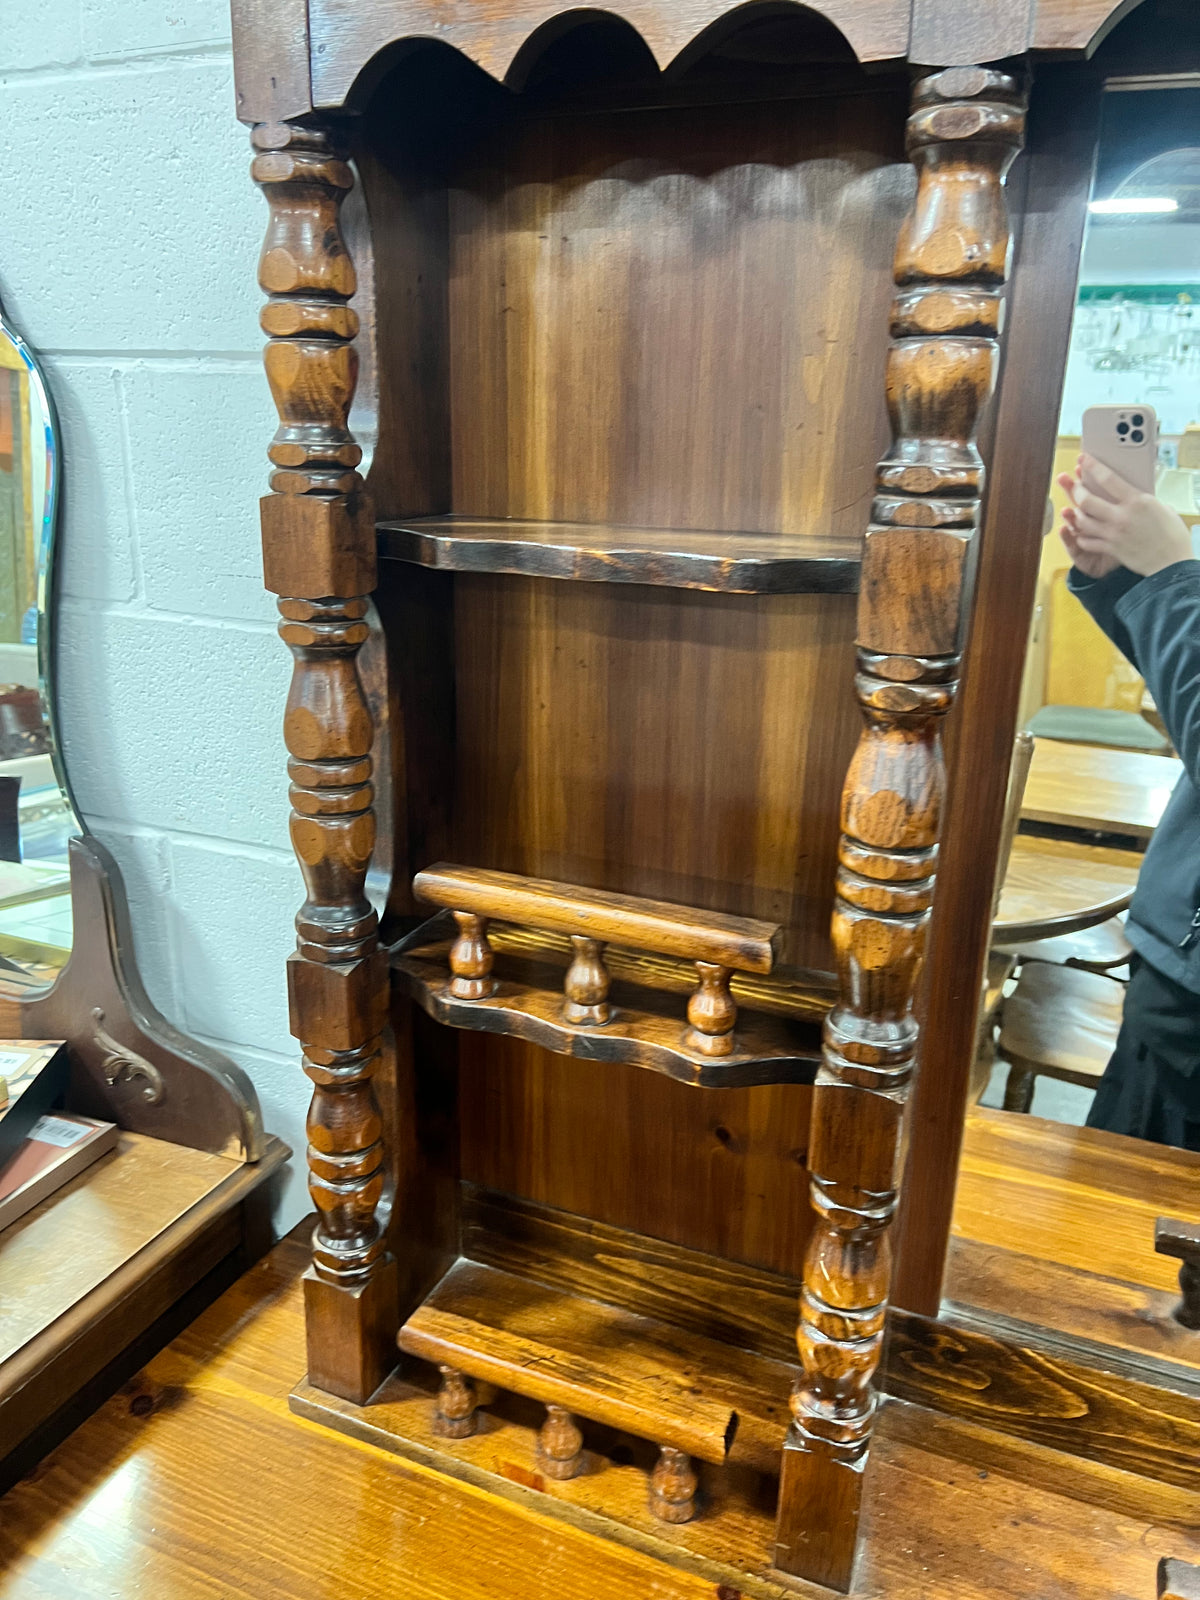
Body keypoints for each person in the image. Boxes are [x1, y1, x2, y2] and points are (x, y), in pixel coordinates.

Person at [1056, 452, 1200, 1149]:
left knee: (1137, 1228)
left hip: (1188, 1013)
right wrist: (1126, 589)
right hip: (1172, 980)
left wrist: (1174, 578)